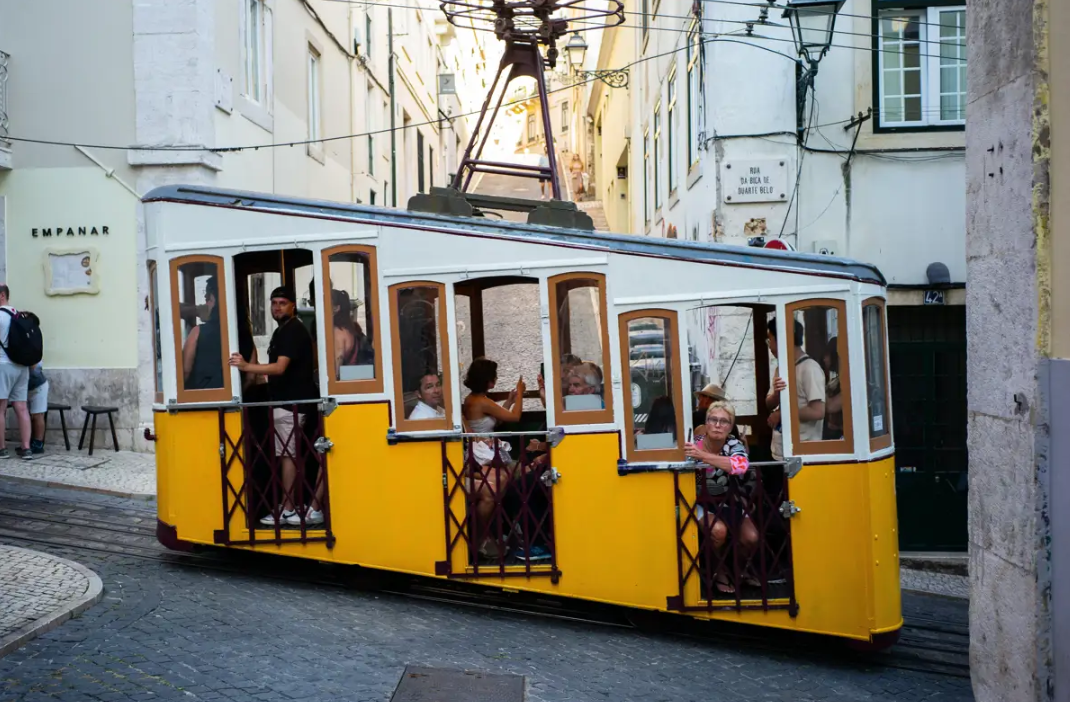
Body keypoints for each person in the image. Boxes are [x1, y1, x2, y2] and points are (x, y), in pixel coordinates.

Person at [230, 286, 320, 527]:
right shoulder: (285, 330)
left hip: (291, 403)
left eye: (282, 302)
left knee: (287, 455)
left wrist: (246, 367)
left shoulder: (292, 331)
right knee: (286, 453)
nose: (277, 307)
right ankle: (288, 505)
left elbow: (279, 368)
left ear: (292, 306)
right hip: (289, 401)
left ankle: (288, 508)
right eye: (274, 303)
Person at [685, 401, 759, 594]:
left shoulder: (732, 443)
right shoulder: (695, 443)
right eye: (713, 419)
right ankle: (719, 572)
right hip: (699, 502)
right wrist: (702, 454)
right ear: (706, 422)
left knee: (751, 538)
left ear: (731, 426)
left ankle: (739, 571)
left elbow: (741, 465)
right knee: (718, 531)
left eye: (724, 421)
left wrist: (704, 457)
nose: (718, 425)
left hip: (728, 502)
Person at [461, 358, 525, 557]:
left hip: (486, 450)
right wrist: (521, 393)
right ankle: (491, 532)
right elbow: (514, 417)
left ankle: (505, 528)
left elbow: (492, 422)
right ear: (489, 381)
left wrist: (510, 400)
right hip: (481, 454)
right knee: (517, 475)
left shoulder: (476, 399)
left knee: (517, 474)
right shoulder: (480, 401)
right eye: (494, 377)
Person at [765, 316, 825, 461]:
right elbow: (768, 403)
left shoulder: (810, 368)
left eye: (770, 340)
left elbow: (818, 411)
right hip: (780, 451)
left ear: (783, 340)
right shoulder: (782, 368)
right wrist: (776, 395)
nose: (770, 346)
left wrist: (783, 414)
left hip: (803, 454)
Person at [0, 284, 32, 460]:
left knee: (0, 408)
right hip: (22, 366)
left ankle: (2, 449)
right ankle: (26, 448)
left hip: (3, 365)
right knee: (21, 407)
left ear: (2, 296)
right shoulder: (18, 315)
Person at [182, 276, 224, 390]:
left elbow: (185, 370)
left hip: (201, 399)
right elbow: (250, 378)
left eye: (208, 298)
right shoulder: (243, 334)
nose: (206, 302)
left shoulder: (197, 332)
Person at [331, 288, 374, 378]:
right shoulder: (351, 327)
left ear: (336, 308)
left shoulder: (338, 332)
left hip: (346, 382)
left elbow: (337, 361)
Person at [24, 314, 47, 456]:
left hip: (38, 385)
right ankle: (30, 442)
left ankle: (38, 444)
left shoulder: (33, 343)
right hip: (28, 386)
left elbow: (35, 368)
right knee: (29, 415)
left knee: (37, 415)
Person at [822, 338, 844, 441]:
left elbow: (831, 406)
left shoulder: (848, 382)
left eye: (827, 355)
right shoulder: (836, 380)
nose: (824, 359)